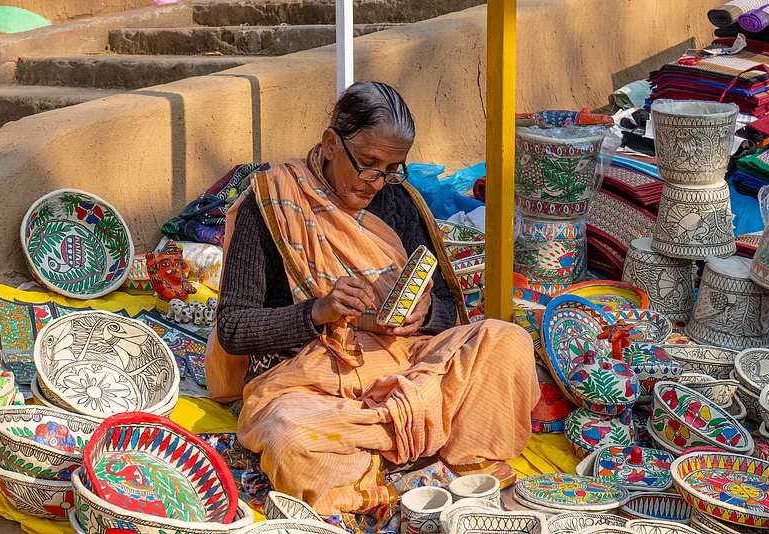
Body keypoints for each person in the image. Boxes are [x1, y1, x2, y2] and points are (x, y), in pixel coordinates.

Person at [205, 81, 539, 518]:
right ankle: (412, 457)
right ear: (331, 143)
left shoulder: (397, 202)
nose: (377, 183)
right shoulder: (272, 202)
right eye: (368, 165)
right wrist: (317, 311)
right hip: (312, 381)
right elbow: (234, 328)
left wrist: (425, 314)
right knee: (293, 438)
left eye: (392, 169)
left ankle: (421, 455)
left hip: (406, 365)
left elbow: (449, 311)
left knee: (507, 341)